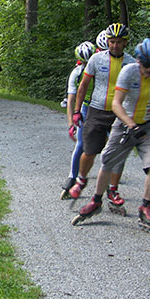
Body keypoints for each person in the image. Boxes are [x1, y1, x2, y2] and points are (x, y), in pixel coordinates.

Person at [72, 38, 150, 234]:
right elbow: (116, 104)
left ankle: (145, 206)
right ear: (139, 61)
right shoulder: (128, 72)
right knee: (107, 161)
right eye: (146, 66)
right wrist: (130, 124)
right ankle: (96, 201)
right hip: (124, 122)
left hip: (149, 124)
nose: (149, 70)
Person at [62, 23, 135, 209]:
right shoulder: (96, 59)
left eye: (119, 42)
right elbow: (84, 85)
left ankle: (112, 189)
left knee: (118, 154)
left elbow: (137, 90)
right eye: (112, 42)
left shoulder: (131, 63)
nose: (115, 45)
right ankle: (81, 179)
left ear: (125, 43)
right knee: (90, 149)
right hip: (97, 109)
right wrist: (77, 111)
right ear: (107, 42)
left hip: (120, 113)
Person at [63, 41, 96, 196]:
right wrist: (71, 124)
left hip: (102, 108)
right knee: (81, 144)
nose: (87, 65)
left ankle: (112, 180)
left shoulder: (101, 68)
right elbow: (71, 99)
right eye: (84, 62)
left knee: (110, 143)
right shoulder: (76, 73)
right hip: (85, 107)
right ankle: (72, 177)